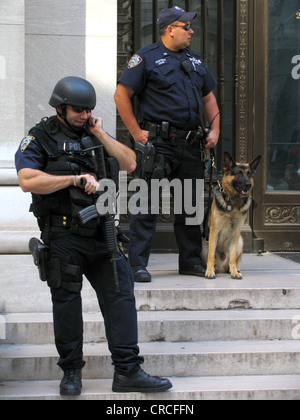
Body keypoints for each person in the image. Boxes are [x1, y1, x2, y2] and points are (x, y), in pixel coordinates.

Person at [15, 76, 172, 396]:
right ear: (60, 108)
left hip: (103, 233)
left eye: (88, 110)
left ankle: (128, 370)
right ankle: (71, 372)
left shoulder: (94, 132)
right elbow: (27, 179)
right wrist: (73, 179)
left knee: (121, 296)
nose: (84, 115)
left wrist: (100, 132)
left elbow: (129, 162)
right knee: (67, 304)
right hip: (64, 234)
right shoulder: (40, 137)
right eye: (78, 110)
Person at [114, 6, 220, 282]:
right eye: (186, 26)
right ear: (169, 29)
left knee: (189, 206)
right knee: (146, 205)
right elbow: (121, 94)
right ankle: (137, 264)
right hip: (158, 144)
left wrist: (215, 130)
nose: (191, 31)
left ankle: (190, 261)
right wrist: (136, 132)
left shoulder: (195, 61)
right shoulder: (146, 58)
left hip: (190, 143)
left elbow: (209, 98)